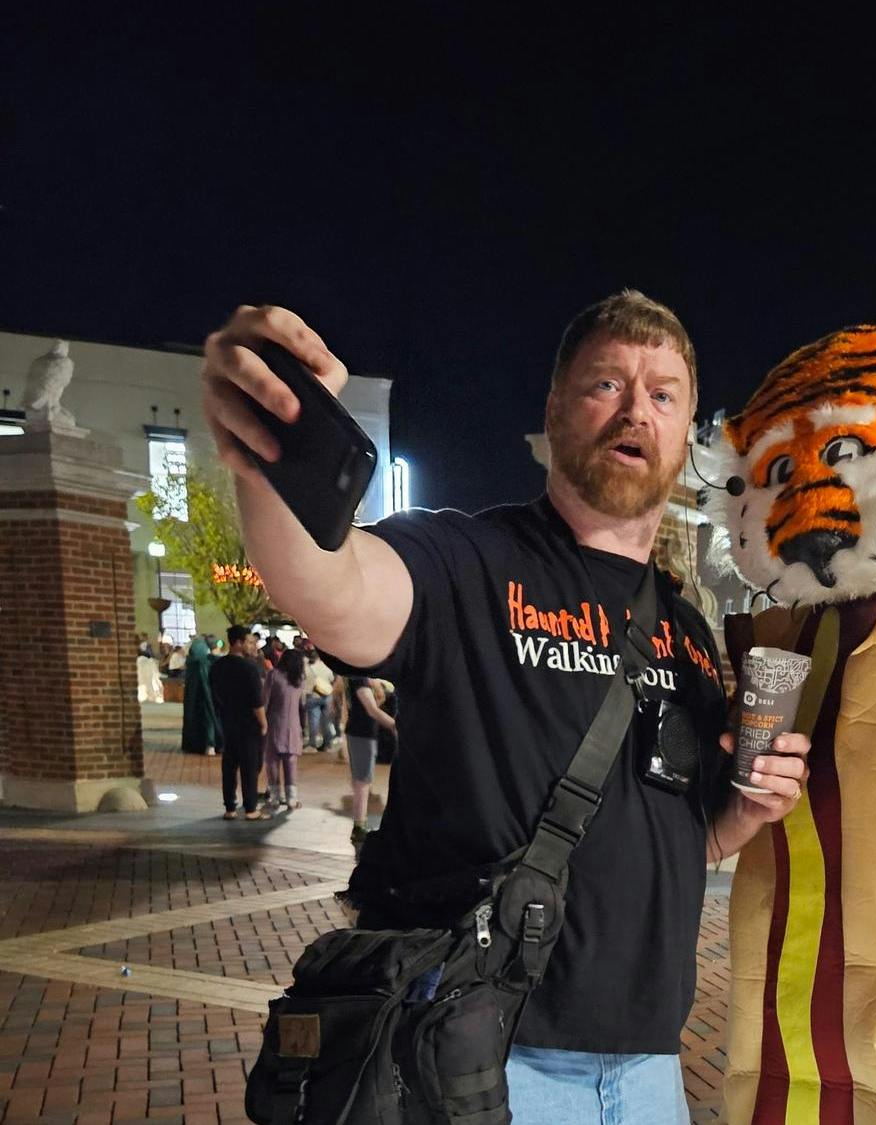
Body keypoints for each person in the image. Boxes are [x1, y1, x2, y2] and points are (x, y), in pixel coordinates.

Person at [200, 294, 813, 1124]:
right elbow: (331, 586)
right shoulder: (468, 562)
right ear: (555, 408)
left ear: (686, 434)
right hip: (482, 1062)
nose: (637, 408)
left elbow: (684, 839)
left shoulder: (689, 631)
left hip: (651, 1073)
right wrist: (272, 453)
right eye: (607, 382)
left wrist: (745, 811)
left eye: (663, 394)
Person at [209, 625, 269, 819]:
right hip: (248, 724)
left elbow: (214, 694)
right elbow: (256, 700)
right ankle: (251, 808)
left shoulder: (217, 666)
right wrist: (263, 722)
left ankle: (230, 807)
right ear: (239, 642)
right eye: (249, 642)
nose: (251, 646)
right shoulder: (249, 668)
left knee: (229, 764)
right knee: (250, 766)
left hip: (227, 721)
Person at [344, 674, 396, 845]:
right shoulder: (359, 677)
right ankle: (359, 826)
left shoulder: (360, 677)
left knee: (362, 780)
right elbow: (370, 708)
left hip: (361, 732)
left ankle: (360, 824)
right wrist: (394, 725)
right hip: (362, 733)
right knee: (362, 781)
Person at [263, 648, 306, 810]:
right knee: (291, 762)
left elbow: (265, 701)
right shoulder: (300, 680)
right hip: (294, 726)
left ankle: (275, 797)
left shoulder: (273, 675)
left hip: (274, 724)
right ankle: (291, 799)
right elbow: (301, 705)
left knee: (272, 762)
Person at [179, 636, 220, 755]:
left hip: (194, 696)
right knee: (208, 717)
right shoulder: (207, 662)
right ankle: (210, 744)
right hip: (207, 695)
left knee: (196, 716)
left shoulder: (192, 663)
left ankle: (196, 744)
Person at [302, 647, 337, 749]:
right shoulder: (327, 667)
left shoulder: (307, 668)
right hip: (327, 696)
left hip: (313, 696)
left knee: (313, 721)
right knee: (326, 721)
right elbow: (331, 679)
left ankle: (312, 742)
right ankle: (327, 743)